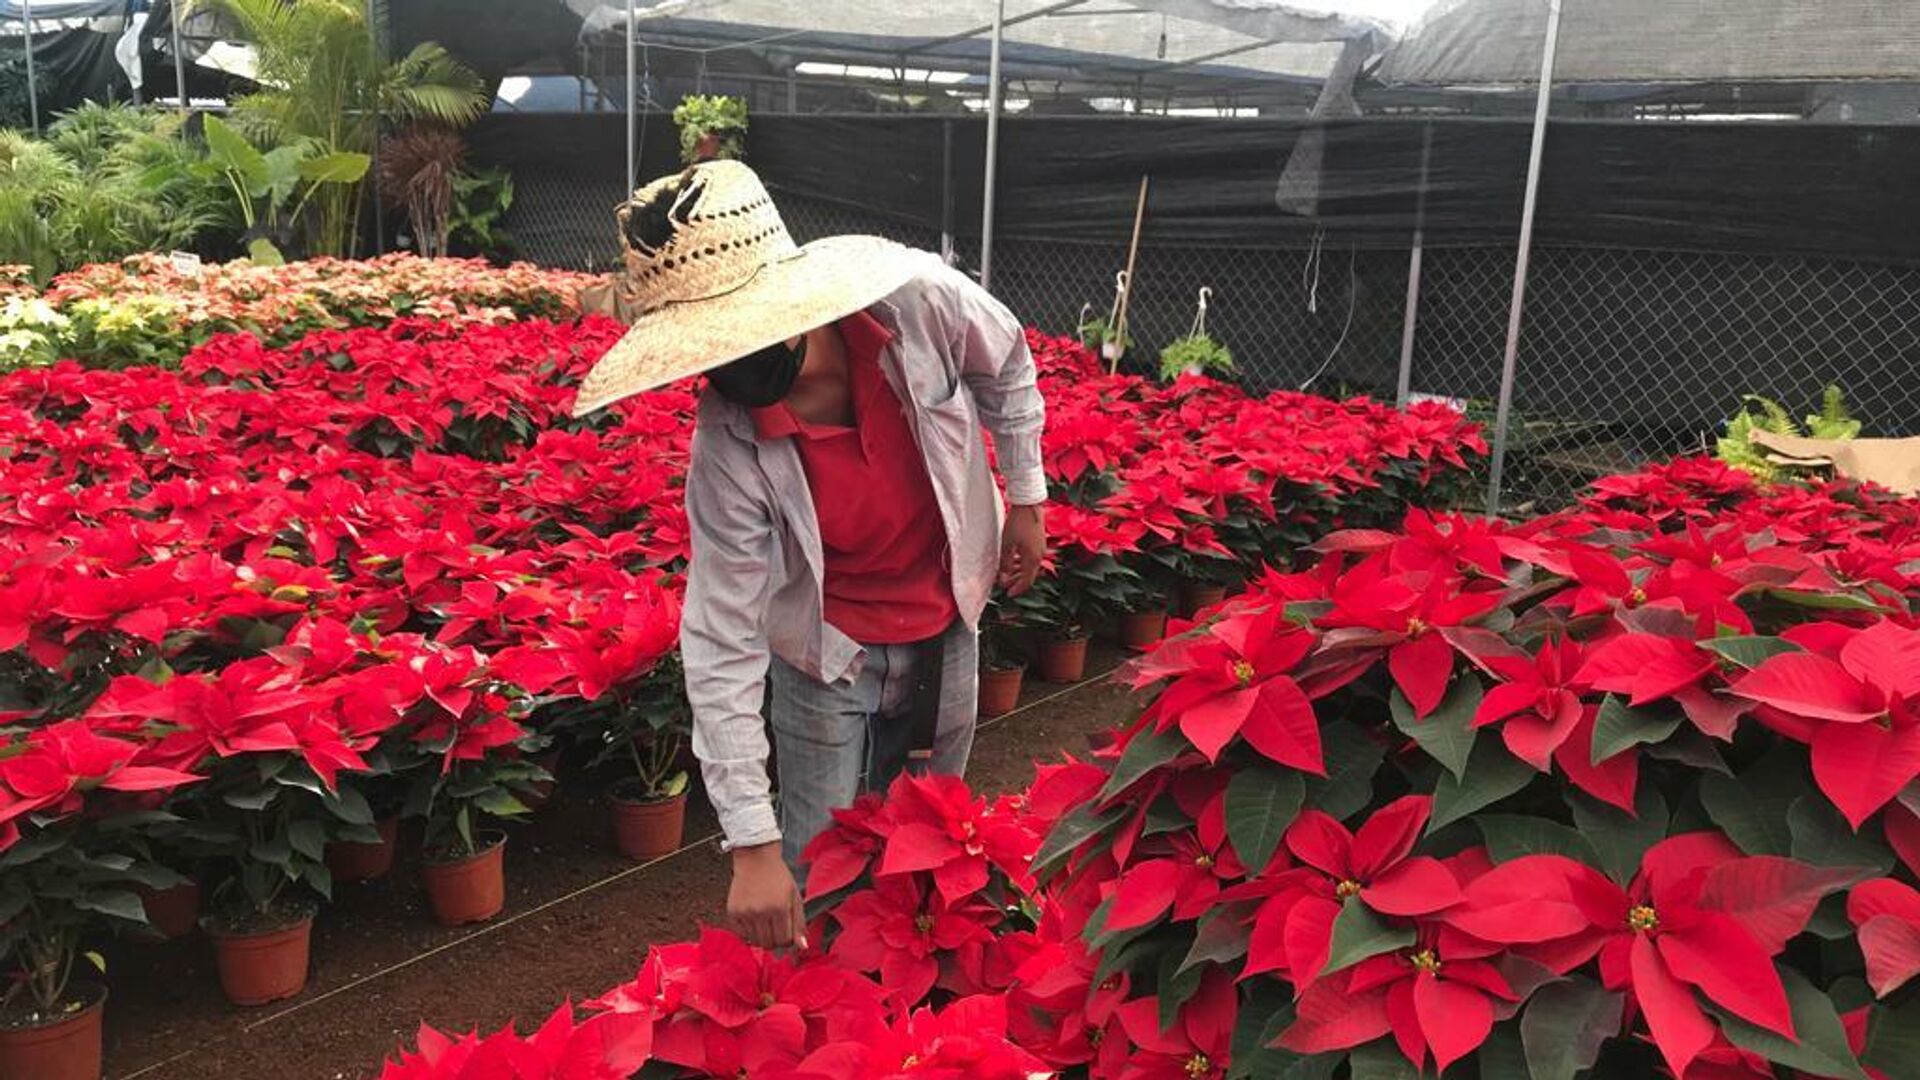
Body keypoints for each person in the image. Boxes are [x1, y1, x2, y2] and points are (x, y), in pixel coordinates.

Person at [572, 160, 1047, 950]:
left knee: (932, 846)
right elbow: (721, 635)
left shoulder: (919, 305)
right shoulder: (729, 442)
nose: (732, 360)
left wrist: (1025, 499)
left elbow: (1008, 366)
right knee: (818, 875)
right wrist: (752, 848)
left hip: (946, 625)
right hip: (827, 655)